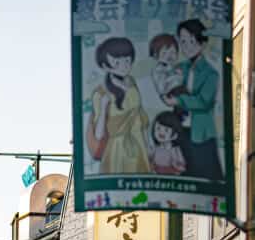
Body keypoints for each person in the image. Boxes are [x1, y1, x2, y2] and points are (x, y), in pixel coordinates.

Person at [163, 19, 222, 181]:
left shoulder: (211, 73)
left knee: (206, 174)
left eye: (192, 41)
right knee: (183, 171)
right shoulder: (180, 68)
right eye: (183, 41)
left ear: (202, 43)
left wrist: (179, 101)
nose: (187, 46)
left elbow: (204, 102)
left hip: (201, 133)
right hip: (180, 130)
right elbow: (167, 87)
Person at [87, 37, 150, 174]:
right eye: (117, 62)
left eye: (127, 60)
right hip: (118, 149)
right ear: (105, 66)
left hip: (138, 144)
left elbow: (141, 116)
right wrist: (103, 108)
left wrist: (148, 143)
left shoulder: (131, 83)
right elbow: (99, 134)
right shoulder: (101, 93)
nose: (124, 66)